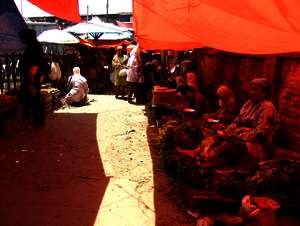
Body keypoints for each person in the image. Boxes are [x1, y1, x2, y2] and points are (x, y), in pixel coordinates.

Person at [206, 78, 280, 163]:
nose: (251, 92)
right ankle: (206, 155)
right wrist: (228, 130)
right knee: (218, 137)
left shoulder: (267, 107)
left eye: (255, 90)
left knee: (230, 145)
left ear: (265, 92)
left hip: (260, 144)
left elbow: (260, 133)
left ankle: (210, 159)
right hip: (243, 136)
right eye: (251, 89)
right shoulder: (249, 103)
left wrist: (239, 135)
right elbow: (237, 121)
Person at [19, 28, 49, 127]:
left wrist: (31, 81)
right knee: (32, 98)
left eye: (22, 37)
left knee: (34, 98)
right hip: (34, 77)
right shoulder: (35, 45)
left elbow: (34, 65)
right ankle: (33, 120)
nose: (21, 39)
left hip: (33, 77)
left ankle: (38, 121)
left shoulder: (33, 47)